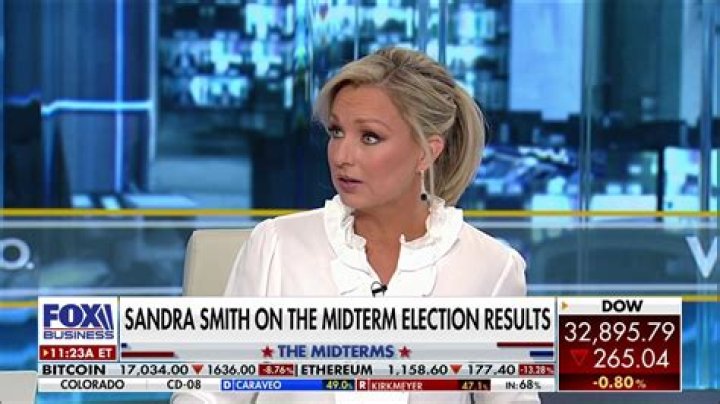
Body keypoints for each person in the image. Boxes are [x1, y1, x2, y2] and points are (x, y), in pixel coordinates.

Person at [173, 47, 537, 403]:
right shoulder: (275, 246)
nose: (342, 156)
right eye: (336, 132)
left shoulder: (491, 267)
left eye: (369, 137)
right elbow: (208, 391)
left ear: (427, 152)